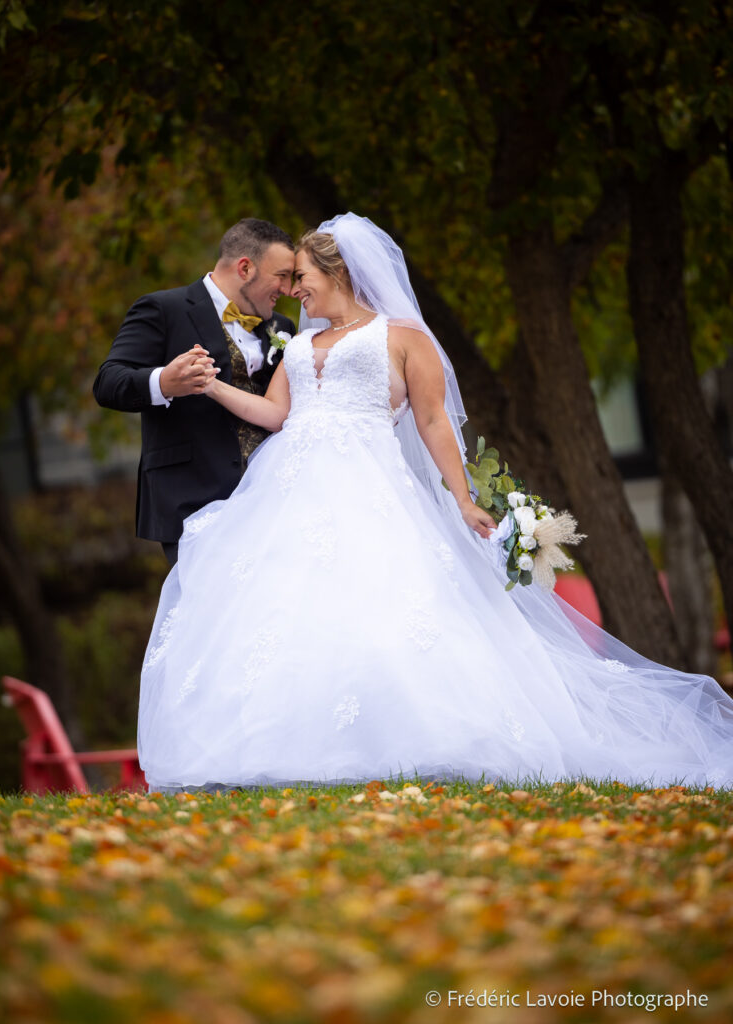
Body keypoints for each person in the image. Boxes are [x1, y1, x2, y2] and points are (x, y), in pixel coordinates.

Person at [137, 213, 733, 791]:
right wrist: (209, 384)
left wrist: (463, 497)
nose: (295, 290)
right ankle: (286, 746)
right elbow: (274, 414)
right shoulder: (299, 344)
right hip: (287, 488)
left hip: (368, 484)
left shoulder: (402, 338)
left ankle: (415, 740)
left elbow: (431, 420)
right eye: (290, 281)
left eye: (302, 278)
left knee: (386, 606)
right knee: (290, 610)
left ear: (335, 272)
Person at [93, 218, 297, 565]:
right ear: (245, 268)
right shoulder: (163, 310)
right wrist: (163, 383)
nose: (289, 289)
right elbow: (108, 382)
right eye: (282, 276)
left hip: (272, 499)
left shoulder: (283, 328)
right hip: (192, 500)